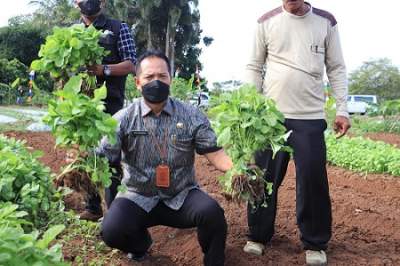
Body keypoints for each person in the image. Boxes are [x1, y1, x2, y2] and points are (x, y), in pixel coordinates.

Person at [98, 50, 233, 266]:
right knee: (111, 230)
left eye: (162, 76)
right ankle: (140, 245)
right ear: (138, 82)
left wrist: (238, 169)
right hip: (137, 196)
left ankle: (213, 261)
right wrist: (80, 157)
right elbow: (103, 156)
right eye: (149, 77)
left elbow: (214, 152)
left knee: (211, 213)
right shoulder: (123, 119)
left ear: (170, 78)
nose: (156, 82)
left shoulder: (191, 115)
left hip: (181, 195)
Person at [244, 1, 351, 265]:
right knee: (263, 176)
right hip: (271, 117)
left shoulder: (326, 22)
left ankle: (315, 242)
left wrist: (343, 109)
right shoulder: (266, 21)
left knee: (313, 179)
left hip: (310, 116)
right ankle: (257, 235)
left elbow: (336, 67)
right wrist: (250, 106)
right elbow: (254, 66)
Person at [74, 0, 136, 221]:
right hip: (80, 107)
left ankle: (114, 212)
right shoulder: (71, 34)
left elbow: (131, 64)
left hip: (110, 105)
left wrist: (103, 69)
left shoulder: (119, 28)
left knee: (111, 158)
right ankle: (92, 207)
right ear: (75, 3)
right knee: (85, 155)